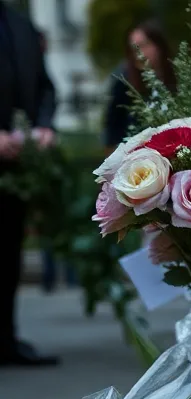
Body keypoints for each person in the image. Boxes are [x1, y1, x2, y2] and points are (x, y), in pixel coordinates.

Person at [0, 3, 57, 367]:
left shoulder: (19, 26)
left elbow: (44, 86)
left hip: (17, 166)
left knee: (8, 253)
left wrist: (45, 125)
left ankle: (5, 338)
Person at [104, 20, 176, 150]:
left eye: (143, 45)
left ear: (158, 46)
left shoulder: (177, 77)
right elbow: (112, 128)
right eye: (133, 48)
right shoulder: (124, 82)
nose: (138, 53)